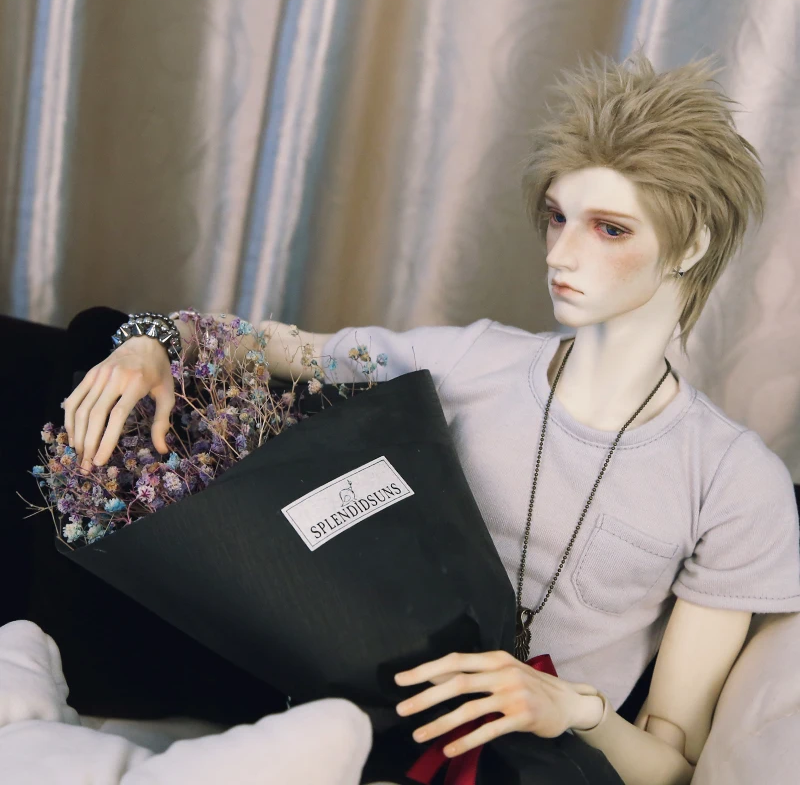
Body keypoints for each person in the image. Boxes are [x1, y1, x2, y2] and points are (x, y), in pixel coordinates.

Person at [62, 50, 800, 785]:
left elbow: (673, 767)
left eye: (610, 229)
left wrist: (573, 709)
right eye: (557, 217)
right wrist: (152, 340)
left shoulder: (734, 483)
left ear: (691, 244)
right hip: (355, 733)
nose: (561, 254)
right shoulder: (467, 361)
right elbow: (289, 350)